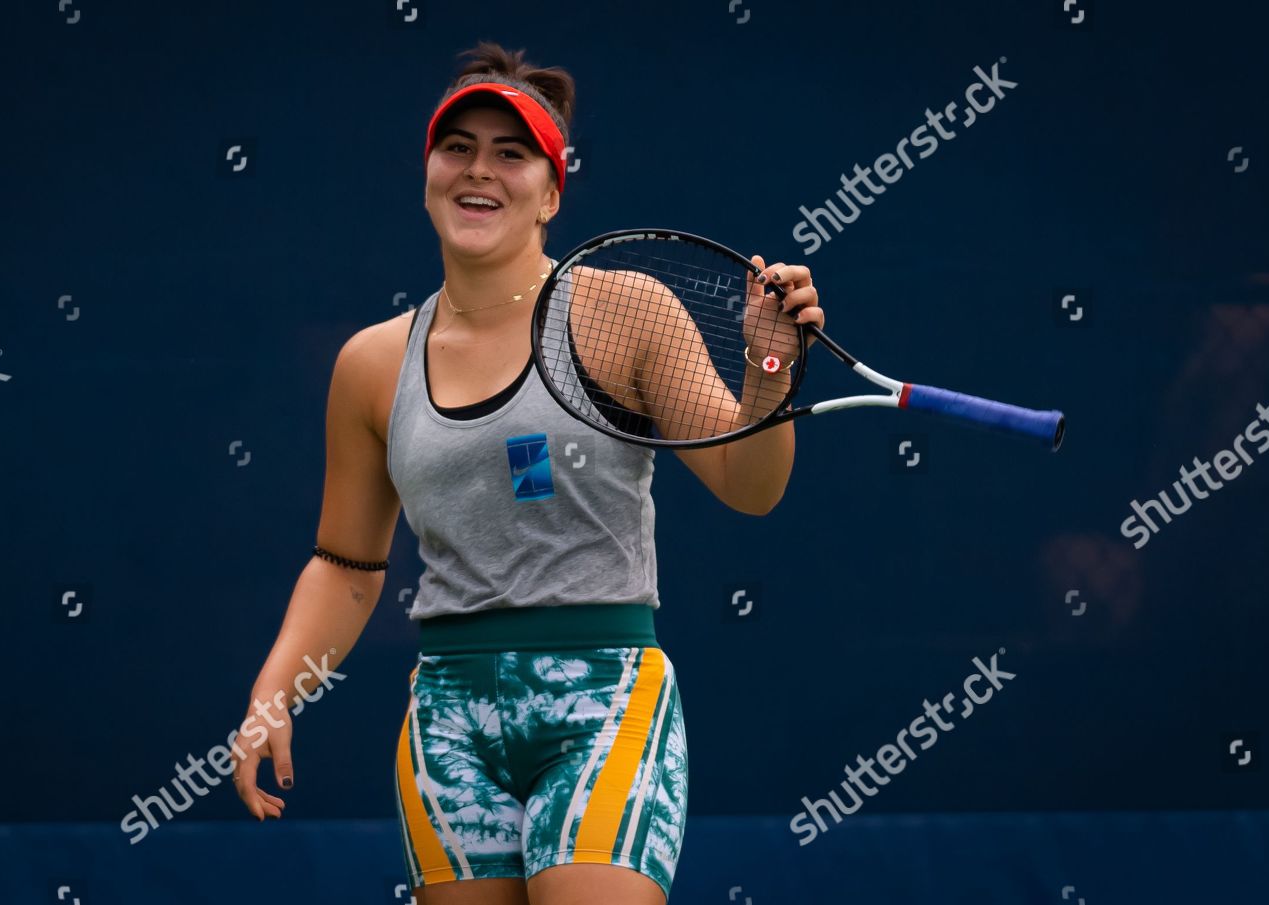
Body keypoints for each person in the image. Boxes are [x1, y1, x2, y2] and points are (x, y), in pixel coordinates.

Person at [228, 42, 823, 905]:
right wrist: (273, 692)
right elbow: (348, 568)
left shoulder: (623, 310)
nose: (480, 170)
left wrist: (768, 372)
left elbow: (751, 482)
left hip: (607, 702)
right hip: (448, 718)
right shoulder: (369, 363)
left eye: (513, 153)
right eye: (458, 147)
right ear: (429, 173)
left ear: (551, 193)